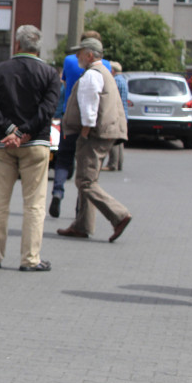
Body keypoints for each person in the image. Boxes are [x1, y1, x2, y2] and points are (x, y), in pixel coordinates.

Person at [0, 25, 59, 272]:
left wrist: (10, 130)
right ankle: (30, 259)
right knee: (34, 204)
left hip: (3, 144)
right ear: (39, 47)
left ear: (17, 45)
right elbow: (47, 111)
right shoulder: (49, 73)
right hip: (35, 144)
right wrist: (25, 132)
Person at [57, 38, 132, 242]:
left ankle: (119, 215)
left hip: (93, 135)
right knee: (88, 179)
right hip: (104, 133)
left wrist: (84, 133)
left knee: (85, 181)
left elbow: (90, 109)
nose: (77, 57)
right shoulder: (104, 72)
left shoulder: (91, 75)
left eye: (79, 52)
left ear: (89, 55)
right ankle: (83, 225)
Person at [49, 31, 111, 218]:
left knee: (63, 159)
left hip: (70, 116)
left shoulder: (69, 61)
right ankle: (79, 208)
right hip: (90, 124)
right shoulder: (105, 65)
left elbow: (64, 84)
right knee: (87, 168)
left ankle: (57, 192)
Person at [104, 62, 128, 171]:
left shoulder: (116, 81)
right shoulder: (123, 80)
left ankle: (112, 164)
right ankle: (119, 163)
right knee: (119, 140)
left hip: (116, 113)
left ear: (112, 71)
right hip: (123, 113)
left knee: (113, 138)